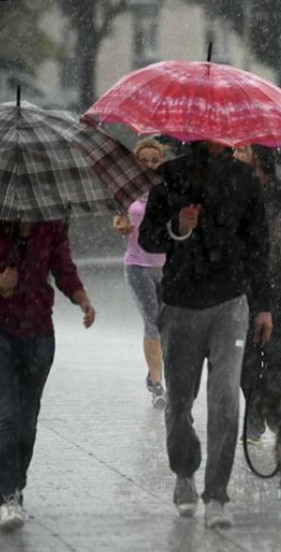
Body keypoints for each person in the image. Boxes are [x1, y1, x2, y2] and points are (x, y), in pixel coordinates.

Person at [138, 140, 272, 529]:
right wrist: (176, 227)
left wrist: (263, 305)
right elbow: (148, 237)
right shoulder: (170, 175)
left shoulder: (245, 178)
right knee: (179, 402)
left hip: (231, 304)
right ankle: (184, 472)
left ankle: (216, 495)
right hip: (180, 304)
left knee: (226, 398)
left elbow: (258, 245)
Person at [0, 219, 96, 532]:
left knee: (26, 421)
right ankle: (8, 496)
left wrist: (81, 298)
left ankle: (15, 484)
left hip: (38, 332)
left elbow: (63, 267)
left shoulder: (51, 224)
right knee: (6, 416)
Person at [233, 144, 281, 445]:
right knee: (247, 355)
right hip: (239, 283)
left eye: (242, 149)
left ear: (260, 155)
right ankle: (253, 415)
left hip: (274, 282)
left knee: (276, 352)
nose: (236, 153)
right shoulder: (231, 188)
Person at [112, 137, 167, 407]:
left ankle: (152, 371)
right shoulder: (127, 190)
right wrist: (120, 225)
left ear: (161, 162)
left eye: (154, 160)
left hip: (167, 267)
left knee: (169, 326)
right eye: (143, 160)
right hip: (137, 266)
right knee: (152, 323)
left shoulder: (168, 188)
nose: (149, 164)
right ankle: (158, 385)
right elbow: (119, 217)